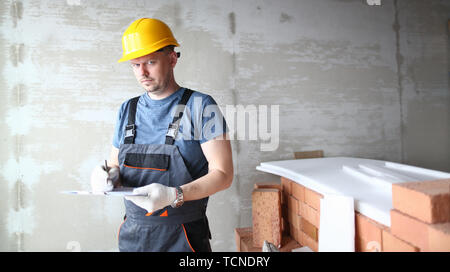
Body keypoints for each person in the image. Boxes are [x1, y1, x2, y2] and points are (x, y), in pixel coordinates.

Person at [89, 18, 233, 252]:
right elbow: (115, 165)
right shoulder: (128, 109)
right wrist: (107, 176)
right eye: (135, 65)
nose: (142, 72)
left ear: (172, 58)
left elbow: (224, 174)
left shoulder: (201, 106)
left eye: (150, 62)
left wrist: (174, 194)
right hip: (133, 237)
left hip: (184, 239)